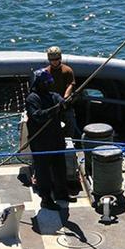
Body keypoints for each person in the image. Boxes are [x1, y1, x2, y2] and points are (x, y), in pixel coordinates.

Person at [25, 69, 72, 207]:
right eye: (45, 83)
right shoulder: (32, 98)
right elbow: (37, 116)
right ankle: (46, 199)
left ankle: (62, 193)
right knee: (43, 170)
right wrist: (55, 109)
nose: (48, 85)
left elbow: (62, 103)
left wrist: (66, 102)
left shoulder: (54, 96)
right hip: (40, 141)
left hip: (56, 137)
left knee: (60, 167)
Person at [44, 46, 79, 138]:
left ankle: (70, 140)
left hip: (66, 104)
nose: (54, 61)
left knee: (70, 122)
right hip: (52, 105)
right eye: (52, 59)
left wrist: (65, 97)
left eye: (56, 59)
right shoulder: (46, 72)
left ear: (60, 58)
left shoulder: (67, 70)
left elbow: (71, 84)